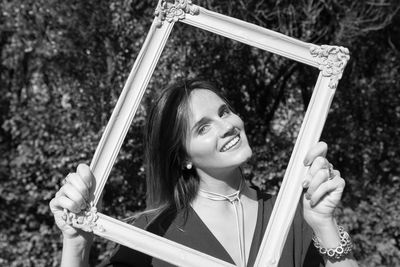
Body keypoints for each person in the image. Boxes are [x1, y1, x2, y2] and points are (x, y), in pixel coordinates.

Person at [50, 79, 358, 267]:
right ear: (183, 156)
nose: (227, 127)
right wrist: (76, 244)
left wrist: (324, 223)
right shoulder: (151, 233)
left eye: (224, 112)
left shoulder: (290, 217)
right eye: (203, 127)